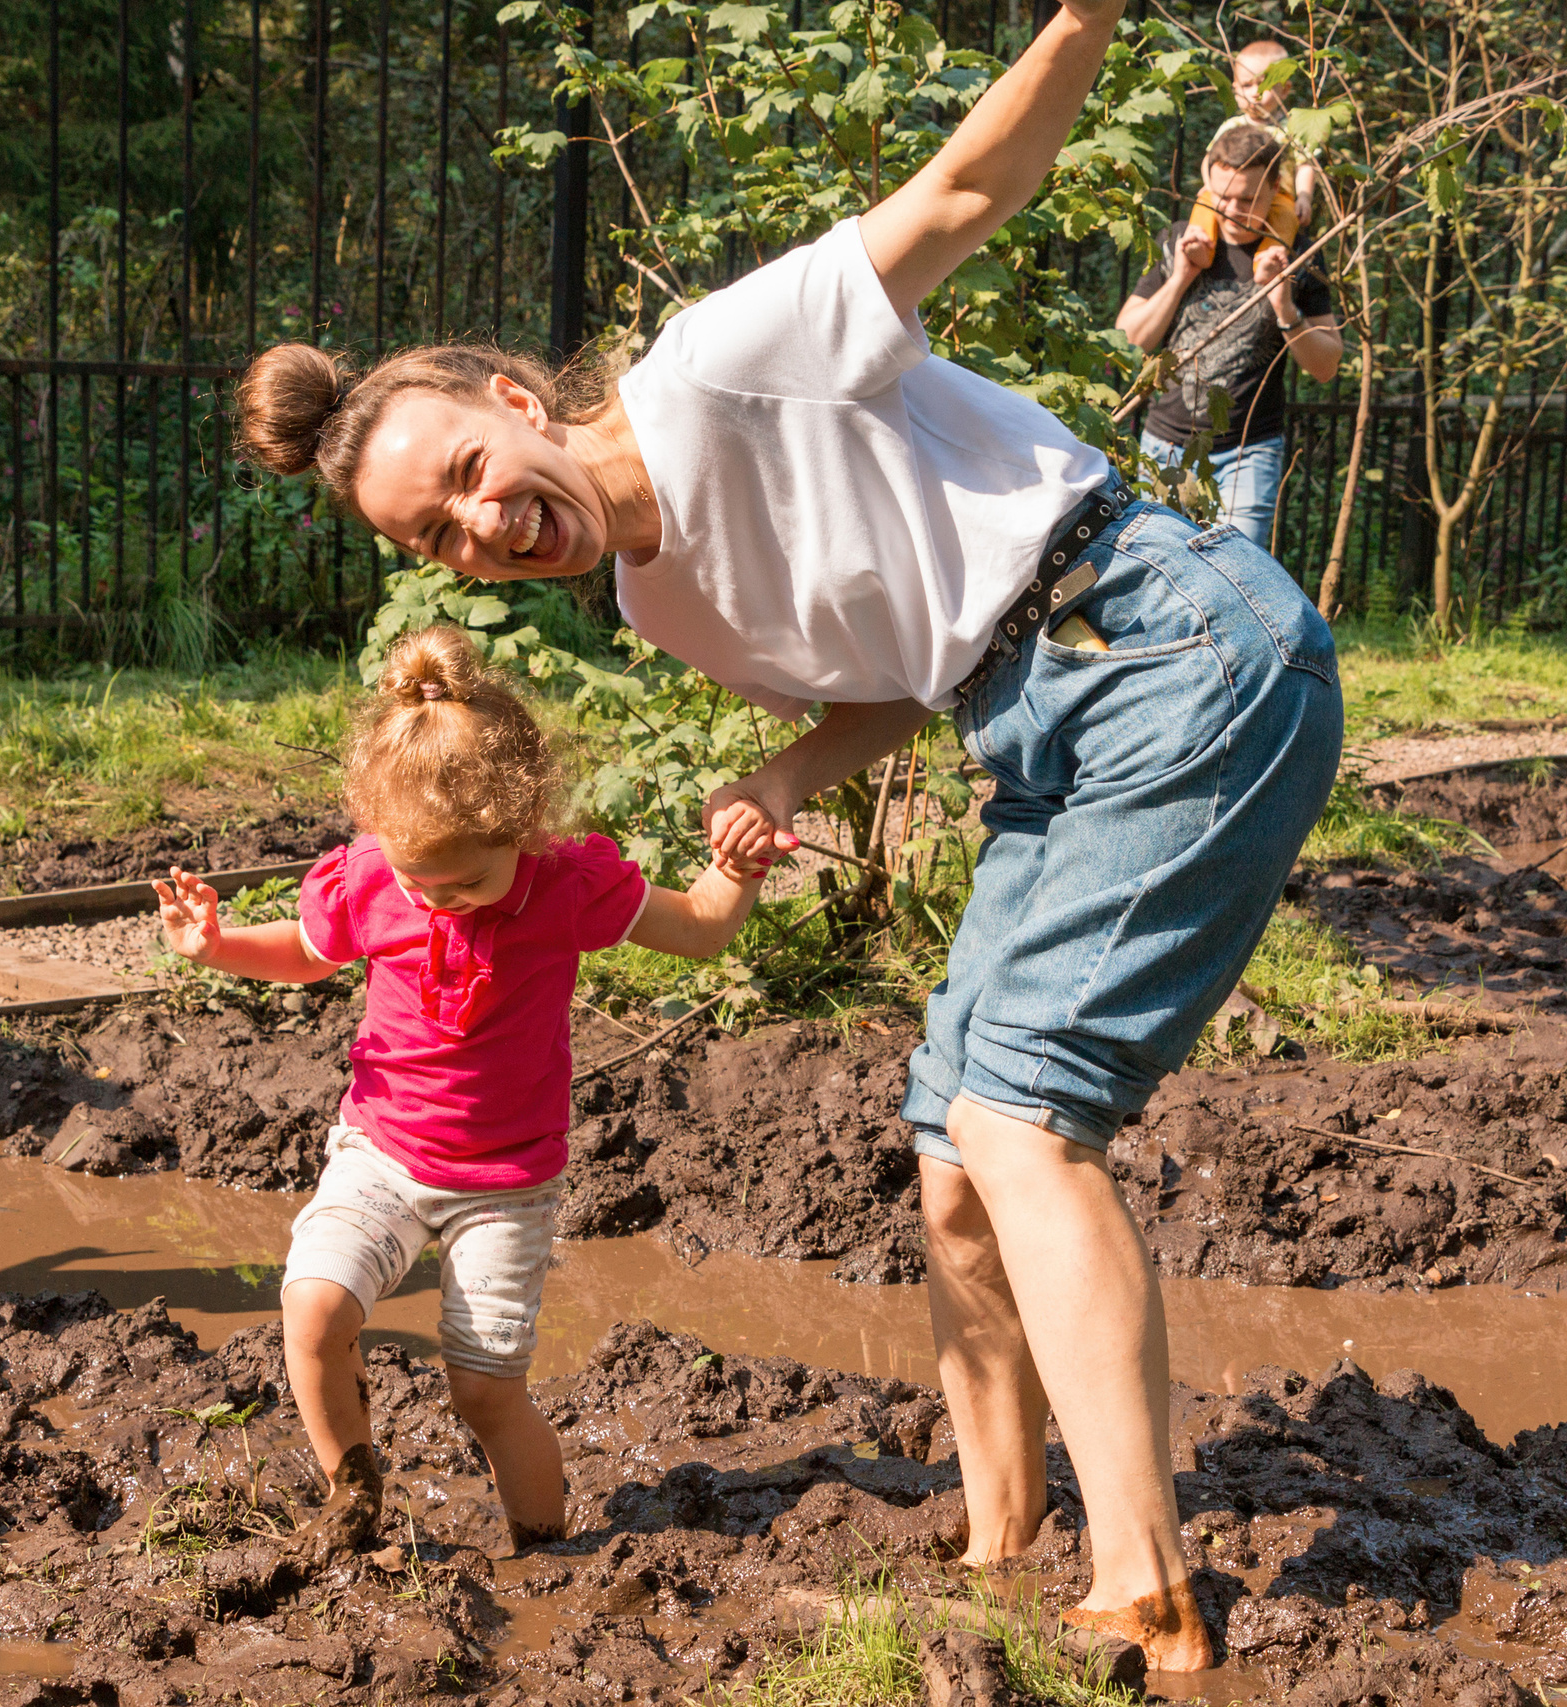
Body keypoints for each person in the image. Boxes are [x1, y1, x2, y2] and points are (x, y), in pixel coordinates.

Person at [228, 0, 1341, 1669]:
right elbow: (908, 675)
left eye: (468, 466)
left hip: (1160, 639)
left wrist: (1090, 19)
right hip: (1029, 710)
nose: (480, 523)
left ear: (518, 398)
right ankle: (998, 1536)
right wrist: (798, 775)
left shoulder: (718, 363)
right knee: (954, 1152)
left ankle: (1146, 1587)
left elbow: (974, 187)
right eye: (437, 536)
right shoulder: (660, 599)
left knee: (1026, 1119)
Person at [152, 625, 768, 1553]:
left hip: (507, 1183)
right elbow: (307, 953)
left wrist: (734, 870)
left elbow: (697, 930)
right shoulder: (368, 876)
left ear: (524, 832)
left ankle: (549, 1550)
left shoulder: (567, 882)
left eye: (467, 881)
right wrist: (219, 943)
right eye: (418, 880)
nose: (437, 900)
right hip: (383, 1152)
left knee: (483, 1391)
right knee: (313, 1307)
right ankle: (352, 1500)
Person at [1117, 124, 1345, 552]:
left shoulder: (1298, 255)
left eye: (1248, 199)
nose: (1233, 210)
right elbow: (1128, 338)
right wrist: (1182, 277)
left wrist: (1284, 306)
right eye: (1222, 196)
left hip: (1248, 453)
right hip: (1163, 446)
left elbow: (1326, 366)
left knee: (1239, 583)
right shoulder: (1184, 239)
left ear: (1276, 188)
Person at [1185, 39, 1322, 251]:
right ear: (1236, 90)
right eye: (1247, 85)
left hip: (1278, 196)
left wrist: (1304, 196)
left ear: (1285, 90)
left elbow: (1305, 165)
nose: (1255, 92)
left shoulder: (1294, 128)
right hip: (1230, 196)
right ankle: (1199, 246)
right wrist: (1212, 187)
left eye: (1265, 84)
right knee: (1204, 204)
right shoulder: (1231, 126)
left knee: (1286, 218)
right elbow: (1209, 159)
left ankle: (1270, 259)